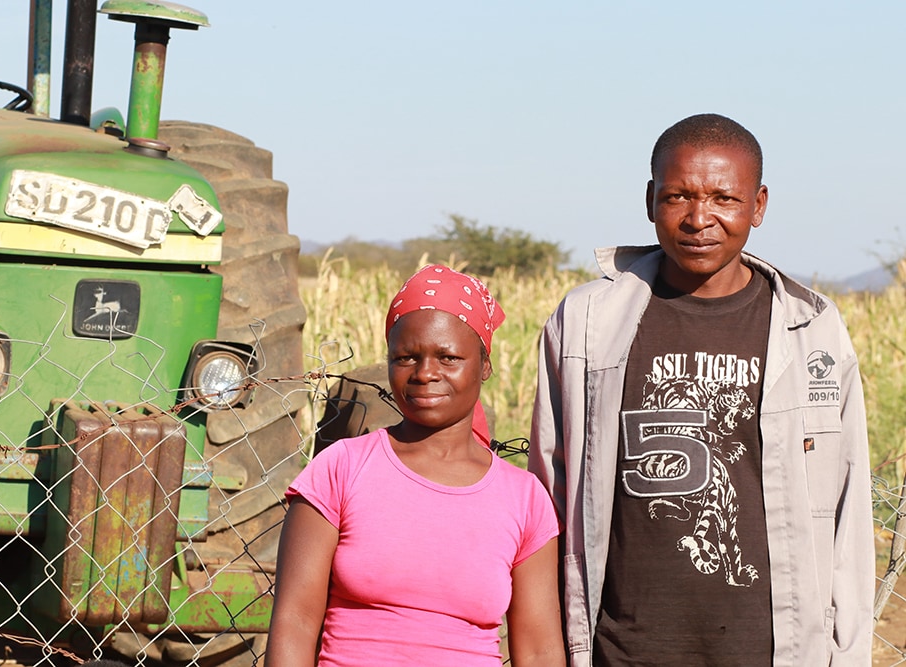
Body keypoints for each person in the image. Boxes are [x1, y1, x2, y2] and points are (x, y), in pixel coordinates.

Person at [529, 113, 874, 665]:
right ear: (649, 200)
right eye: (678, 196)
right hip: (623, 647)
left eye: (724, 198)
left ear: (758, 205)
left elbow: (846, 506)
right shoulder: (587, 322)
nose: (699, 218)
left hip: (770, 648)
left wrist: (847, 652)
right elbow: (547, 492)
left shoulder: (812, 330)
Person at [266, 264, 565, 667]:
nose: (425, 374)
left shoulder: (524, 498)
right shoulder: (342, 468)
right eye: (406, 357)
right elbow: (295, 621)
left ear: (485, 366)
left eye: (448, 357)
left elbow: (539, 651)